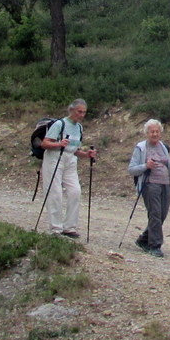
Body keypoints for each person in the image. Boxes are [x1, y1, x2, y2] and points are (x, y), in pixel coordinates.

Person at [39, 99, 97, 237]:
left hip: (70, 159)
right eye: (79, 111)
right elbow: (45, 144)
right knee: (55, 193)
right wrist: (59, 144)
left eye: (84, 112)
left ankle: (69, 227)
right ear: (71, 110)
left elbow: (74, 150)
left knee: (75, 191)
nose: (82, 115)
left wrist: (86, 154)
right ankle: (55, 229)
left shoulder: (79, 128)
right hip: (54, 158)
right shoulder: (60, 124)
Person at [128, 119, 170, 258]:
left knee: (162, 214)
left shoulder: (164, 147)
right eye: (152, 132)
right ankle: (155, 245)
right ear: (147, 133)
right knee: (155, 213)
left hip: (166, 184)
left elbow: (167, 167)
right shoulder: (141, 148)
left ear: (160, 133)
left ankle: (143, 239)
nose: (155, 134)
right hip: (150, 184)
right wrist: (145, 166)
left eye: (157, 131)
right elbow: (132, 169)